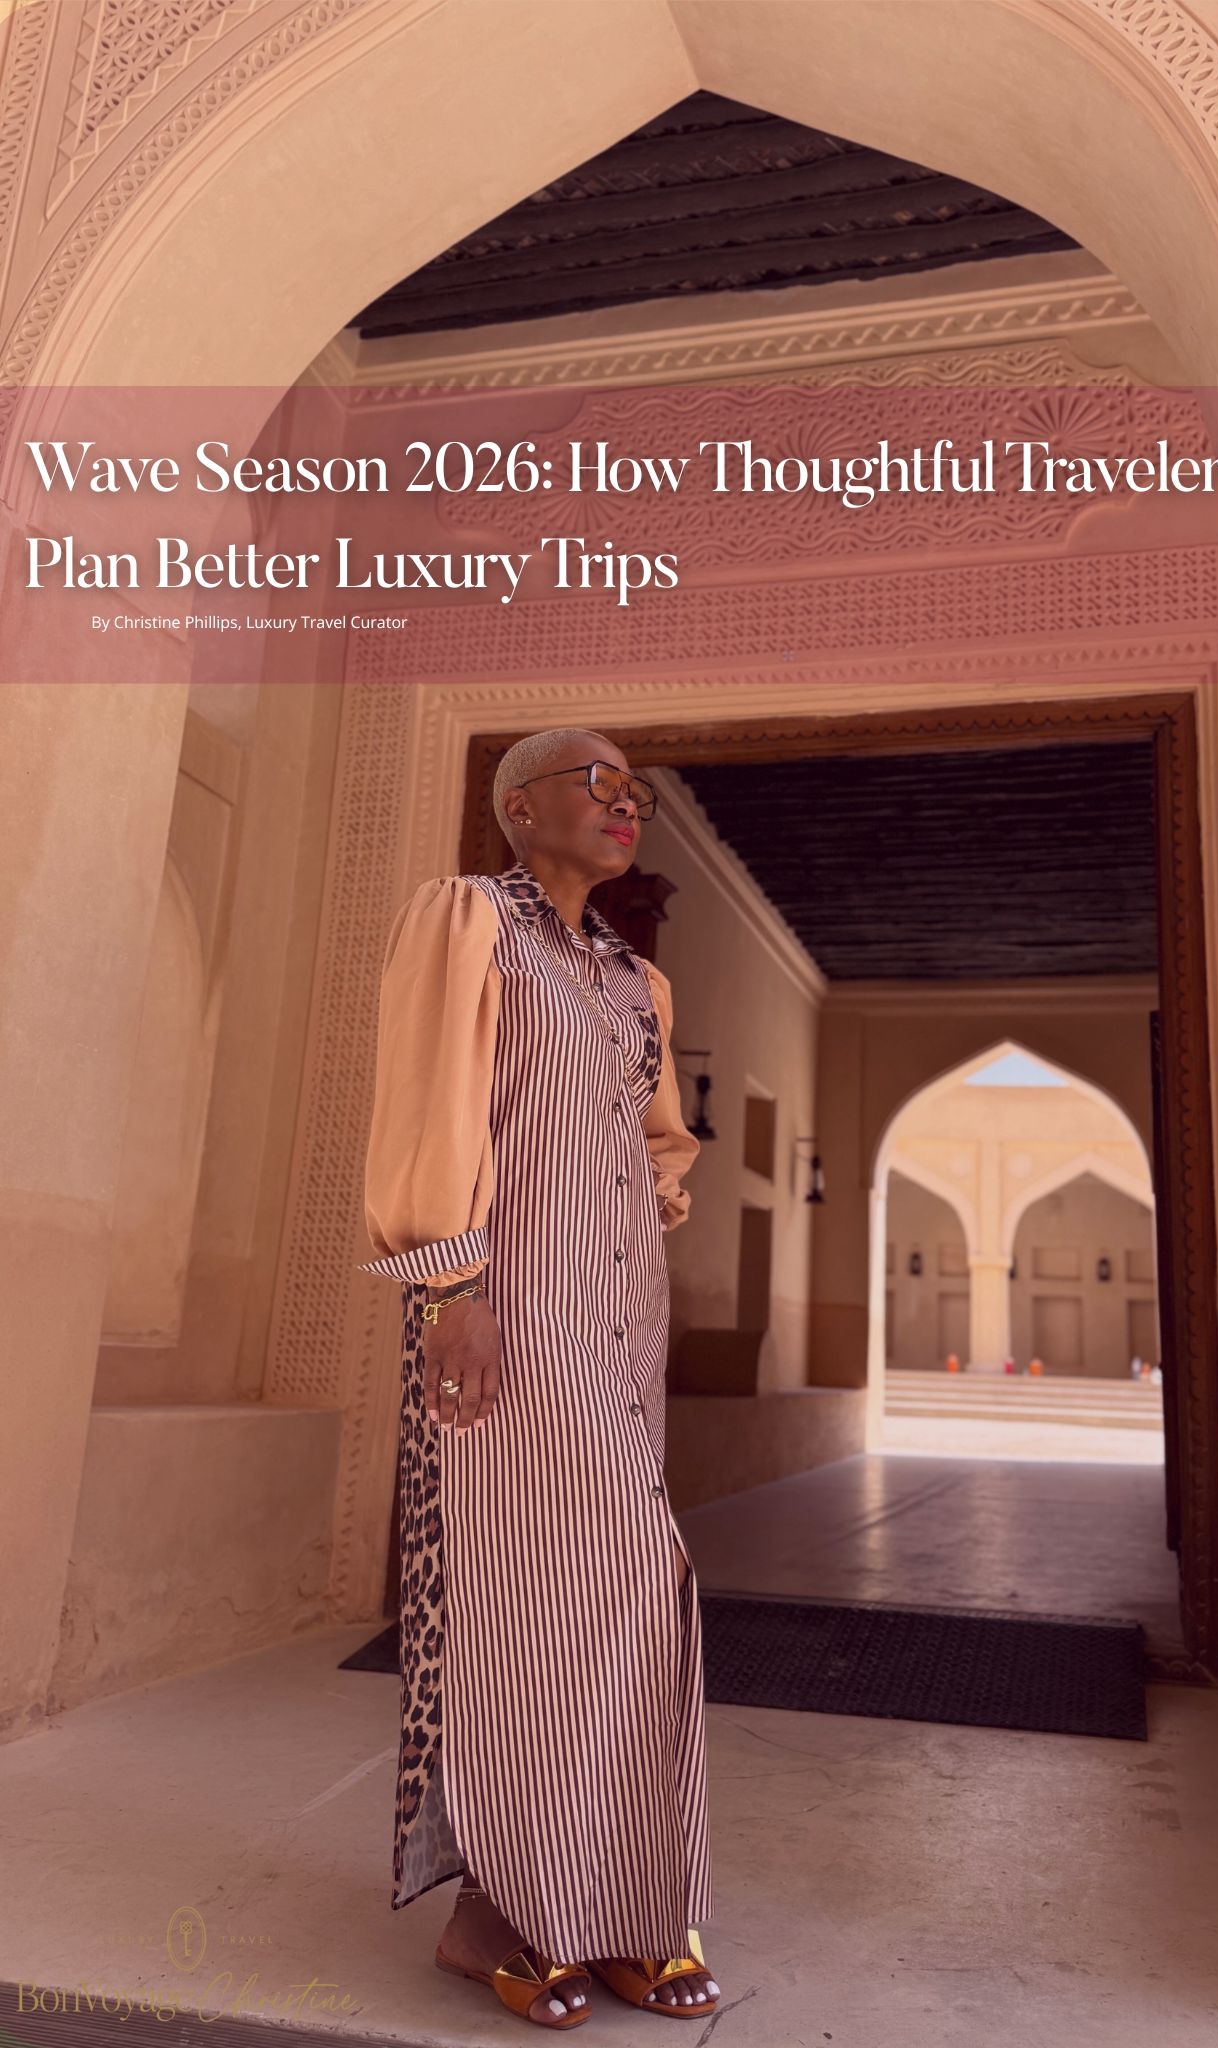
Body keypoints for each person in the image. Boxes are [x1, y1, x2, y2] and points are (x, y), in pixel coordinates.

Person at [359, 726, 716, 2029]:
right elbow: (422, 1104)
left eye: (638, 793)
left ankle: (616, 1908)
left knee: (628, 1590)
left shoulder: (633, 979)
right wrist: (449, 1284)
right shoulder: (467, 922)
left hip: (622, 1317)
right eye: (595, 784)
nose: (626, 805)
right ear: (518, 809)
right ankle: (492, 1912)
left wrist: (645, 1195)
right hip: (504, 1307)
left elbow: (659, 1135)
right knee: (539, 1590)